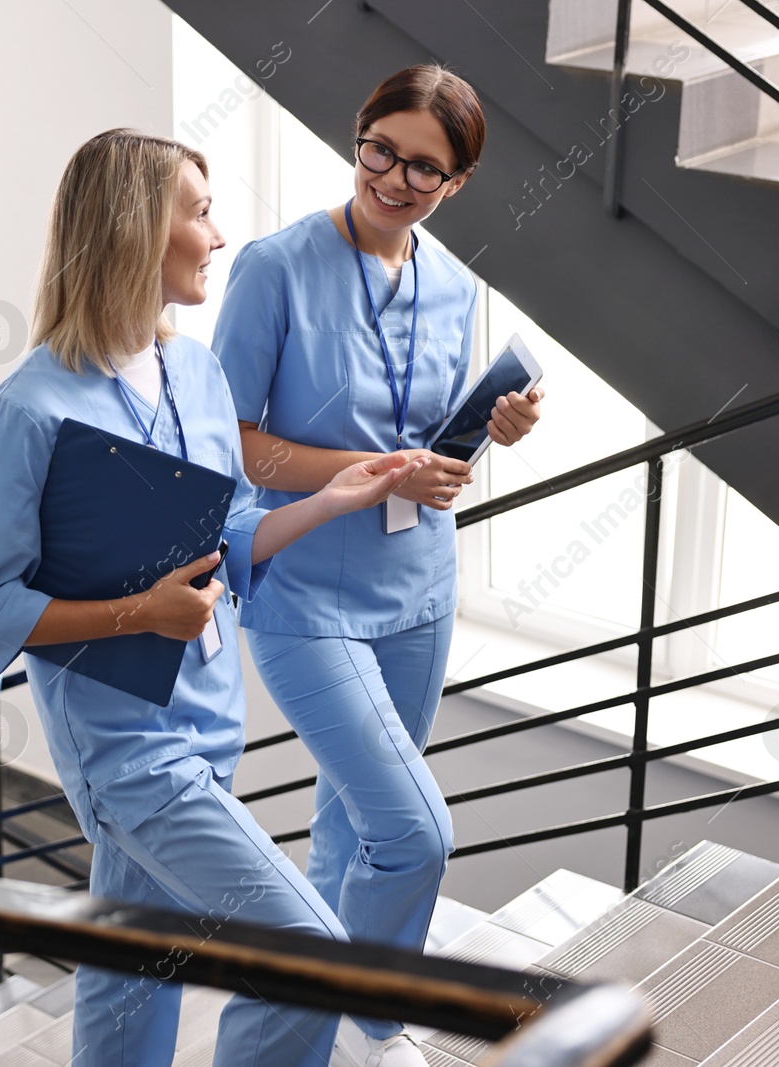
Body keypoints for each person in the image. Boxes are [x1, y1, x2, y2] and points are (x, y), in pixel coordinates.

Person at [0, 129, 428, 1067]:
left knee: (129, 980)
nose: (217, 236)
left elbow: (232, 536)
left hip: (212, 728)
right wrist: (138, 615)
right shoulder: (29, 411)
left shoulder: (199, 374)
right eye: (200, 212)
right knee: (305, 957)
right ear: (137, 229)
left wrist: (331, 499)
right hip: (127, 755)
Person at [210, 65, 543, 1066]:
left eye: (424, 169)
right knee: (415, 830)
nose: (393, 178)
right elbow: (229, 440)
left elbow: (437, 436)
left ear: (457, 184)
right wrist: (361, 472)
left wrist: (498, 427)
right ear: (357, 139)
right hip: (304, 590)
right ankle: (371, 1009)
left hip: (417, 588)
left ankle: (338, 1033)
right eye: (379, 150)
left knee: (353, 828)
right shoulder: (273, 267)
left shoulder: (452, 283)